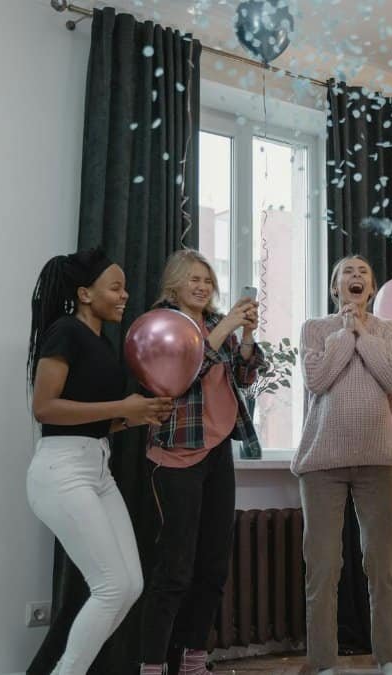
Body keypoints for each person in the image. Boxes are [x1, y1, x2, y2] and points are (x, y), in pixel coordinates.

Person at [26, 248, 173, 675]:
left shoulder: (101, 343)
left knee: (130, 585)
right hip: (61, 470)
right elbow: (46, 409)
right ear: (85, 293)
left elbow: (94, 422)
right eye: (116, 287)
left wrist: (133, 416)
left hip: (95, 467)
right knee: (111, 586)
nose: (125, 295)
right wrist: (120, 406)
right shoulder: (64, 333)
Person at [139, 250, 263, 675]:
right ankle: (152, 665)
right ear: (174, 282)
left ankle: (193, 659)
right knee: (174, 568)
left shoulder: (215, 324)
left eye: (207, 280)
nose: (202, 286)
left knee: (213, 564)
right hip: (176, 455)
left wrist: (244, 336)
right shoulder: (161, 323)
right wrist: (227, 325)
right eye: (193, 278)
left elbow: (244, 379)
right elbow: (181, 371)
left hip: (216, 452)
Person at [293, 255, 392, 675]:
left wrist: (363, 331)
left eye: (364, 273)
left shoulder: (387, 330)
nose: (356, 277)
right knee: (323, 567)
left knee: (382, 564)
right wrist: (345, 332)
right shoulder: (314, 329)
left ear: (372, 289)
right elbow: (317, 378)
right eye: (348, 273)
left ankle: (388, 659)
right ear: (334, 287)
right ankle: (324, 663)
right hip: (322, 462)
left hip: (377, 462)